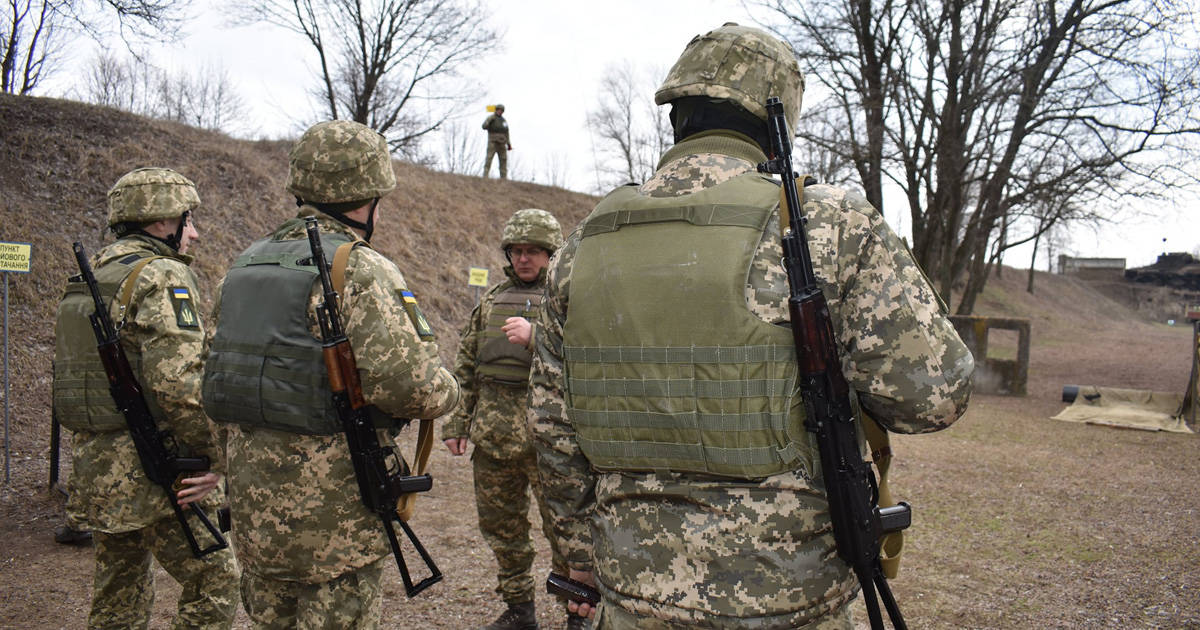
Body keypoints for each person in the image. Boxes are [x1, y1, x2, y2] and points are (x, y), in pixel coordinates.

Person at [528, 23, 975, 629]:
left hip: (632, 596)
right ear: (778, 125)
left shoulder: (582, 244)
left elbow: (553, 428)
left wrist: (579, 557)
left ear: (677, 116)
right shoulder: (827, 225)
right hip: (790, 599)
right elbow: (934, 397)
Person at [202, 120, 460, 629]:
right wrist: (449, 389)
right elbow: (412, 386)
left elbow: (214, 379)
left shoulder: (244, 267)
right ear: (369, 196)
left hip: (256, 508)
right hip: (335, 514)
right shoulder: (359, 269)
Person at [52, 167, 239, 629]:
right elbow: (179, 383)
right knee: (215, 580)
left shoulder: (91, 275)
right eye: (187, 220)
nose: (193, 234)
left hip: (96, 466)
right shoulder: (161, 274)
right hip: (154, 470)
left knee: (119, 596)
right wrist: (216, 457)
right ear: (161, 223)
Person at [441, 209, 583, 630]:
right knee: (502, 529)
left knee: (565, 532)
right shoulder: (489, 300)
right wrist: (456, 424)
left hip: (550, 440)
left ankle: (576, 611)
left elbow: (588, 355)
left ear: (551, 253)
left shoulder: (569, 300)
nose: (524, 259)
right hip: (493, 436)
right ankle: (519, 608)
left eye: (534, 252)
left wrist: (538, 335)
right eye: (518, 251)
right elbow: (467, 366)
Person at [482, 104, 512, 179]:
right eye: (498, 110)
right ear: (496, 110)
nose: (500, 111)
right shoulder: (491, 118)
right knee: (489, 158)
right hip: (492, 142)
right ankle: (485, 176)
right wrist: (490, 120)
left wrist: (509, 144)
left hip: (502, 142)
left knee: (503, 160)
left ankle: (503, 178)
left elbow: (506, 132)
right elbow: (484, 126)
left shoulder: (504, 121)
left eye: (501, 110)